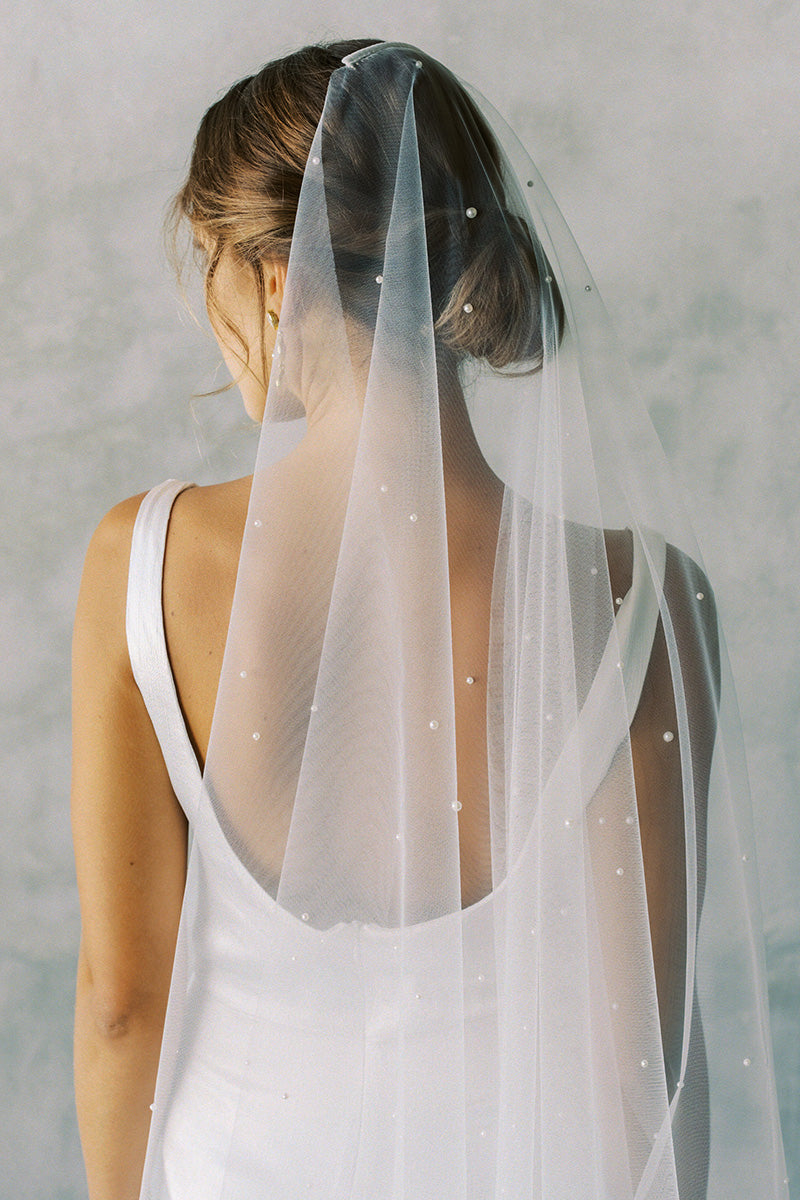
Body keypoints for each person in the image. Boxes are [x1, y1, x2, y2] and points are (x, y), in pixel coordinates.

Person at [71, 39, 788, 1200]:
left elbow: (120, 1004)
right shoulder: (647, 603)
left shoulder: (146, 562)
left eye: (209, 264)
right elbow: (638, 1063)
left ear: (274, 275)